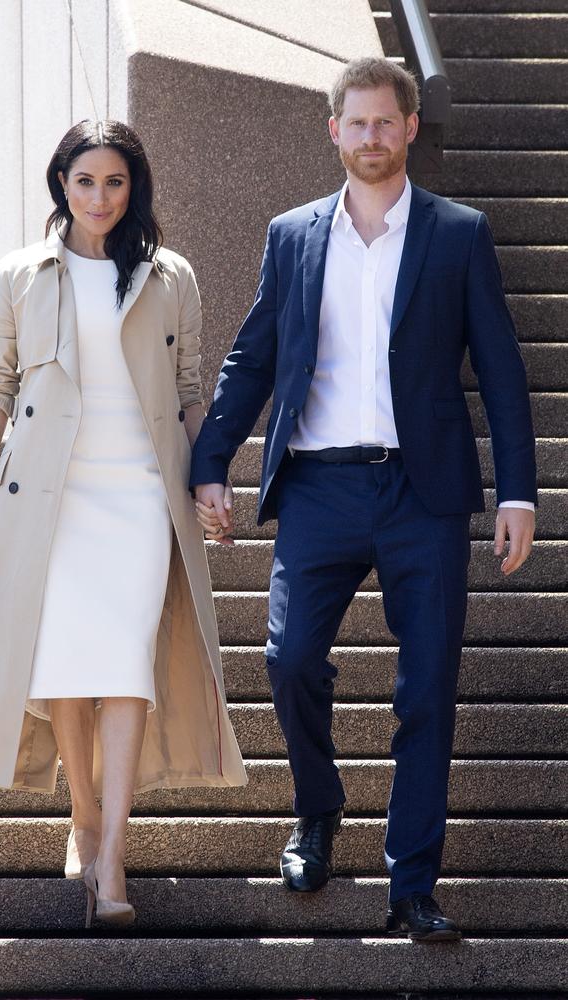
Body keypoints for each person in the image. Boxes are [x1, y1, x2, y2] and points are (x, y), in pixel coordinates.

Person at [190, 58, 536, 941]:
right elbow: (252, 358)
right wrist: (210, 462)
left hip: (424, 494)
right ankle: (318, 812)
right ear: (333, 130)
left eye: (388, 123)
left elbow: (499, 369)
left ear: (410, 128)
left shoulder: (459, 233)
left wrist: (519, 493)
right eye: (359, 124)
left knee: (427, 691)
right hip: (319, 484)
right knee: (290, 658)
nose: (373, 138)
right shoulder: (293, 235)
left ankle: (412, 883)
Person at [0, 119, 247, 928]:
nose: (100, 197)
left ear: (133, 187)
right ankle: (84, 819)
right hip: (48, 496)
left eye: (115, 182)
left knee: (124, 665)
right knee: (67, 665)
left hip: (140, 493)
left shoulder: (169, 273)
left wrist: (208, 476)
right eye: (85, 181)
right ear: (60, 185)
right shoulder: (21, 274)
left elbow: (188, 388)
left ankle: (112, 859)